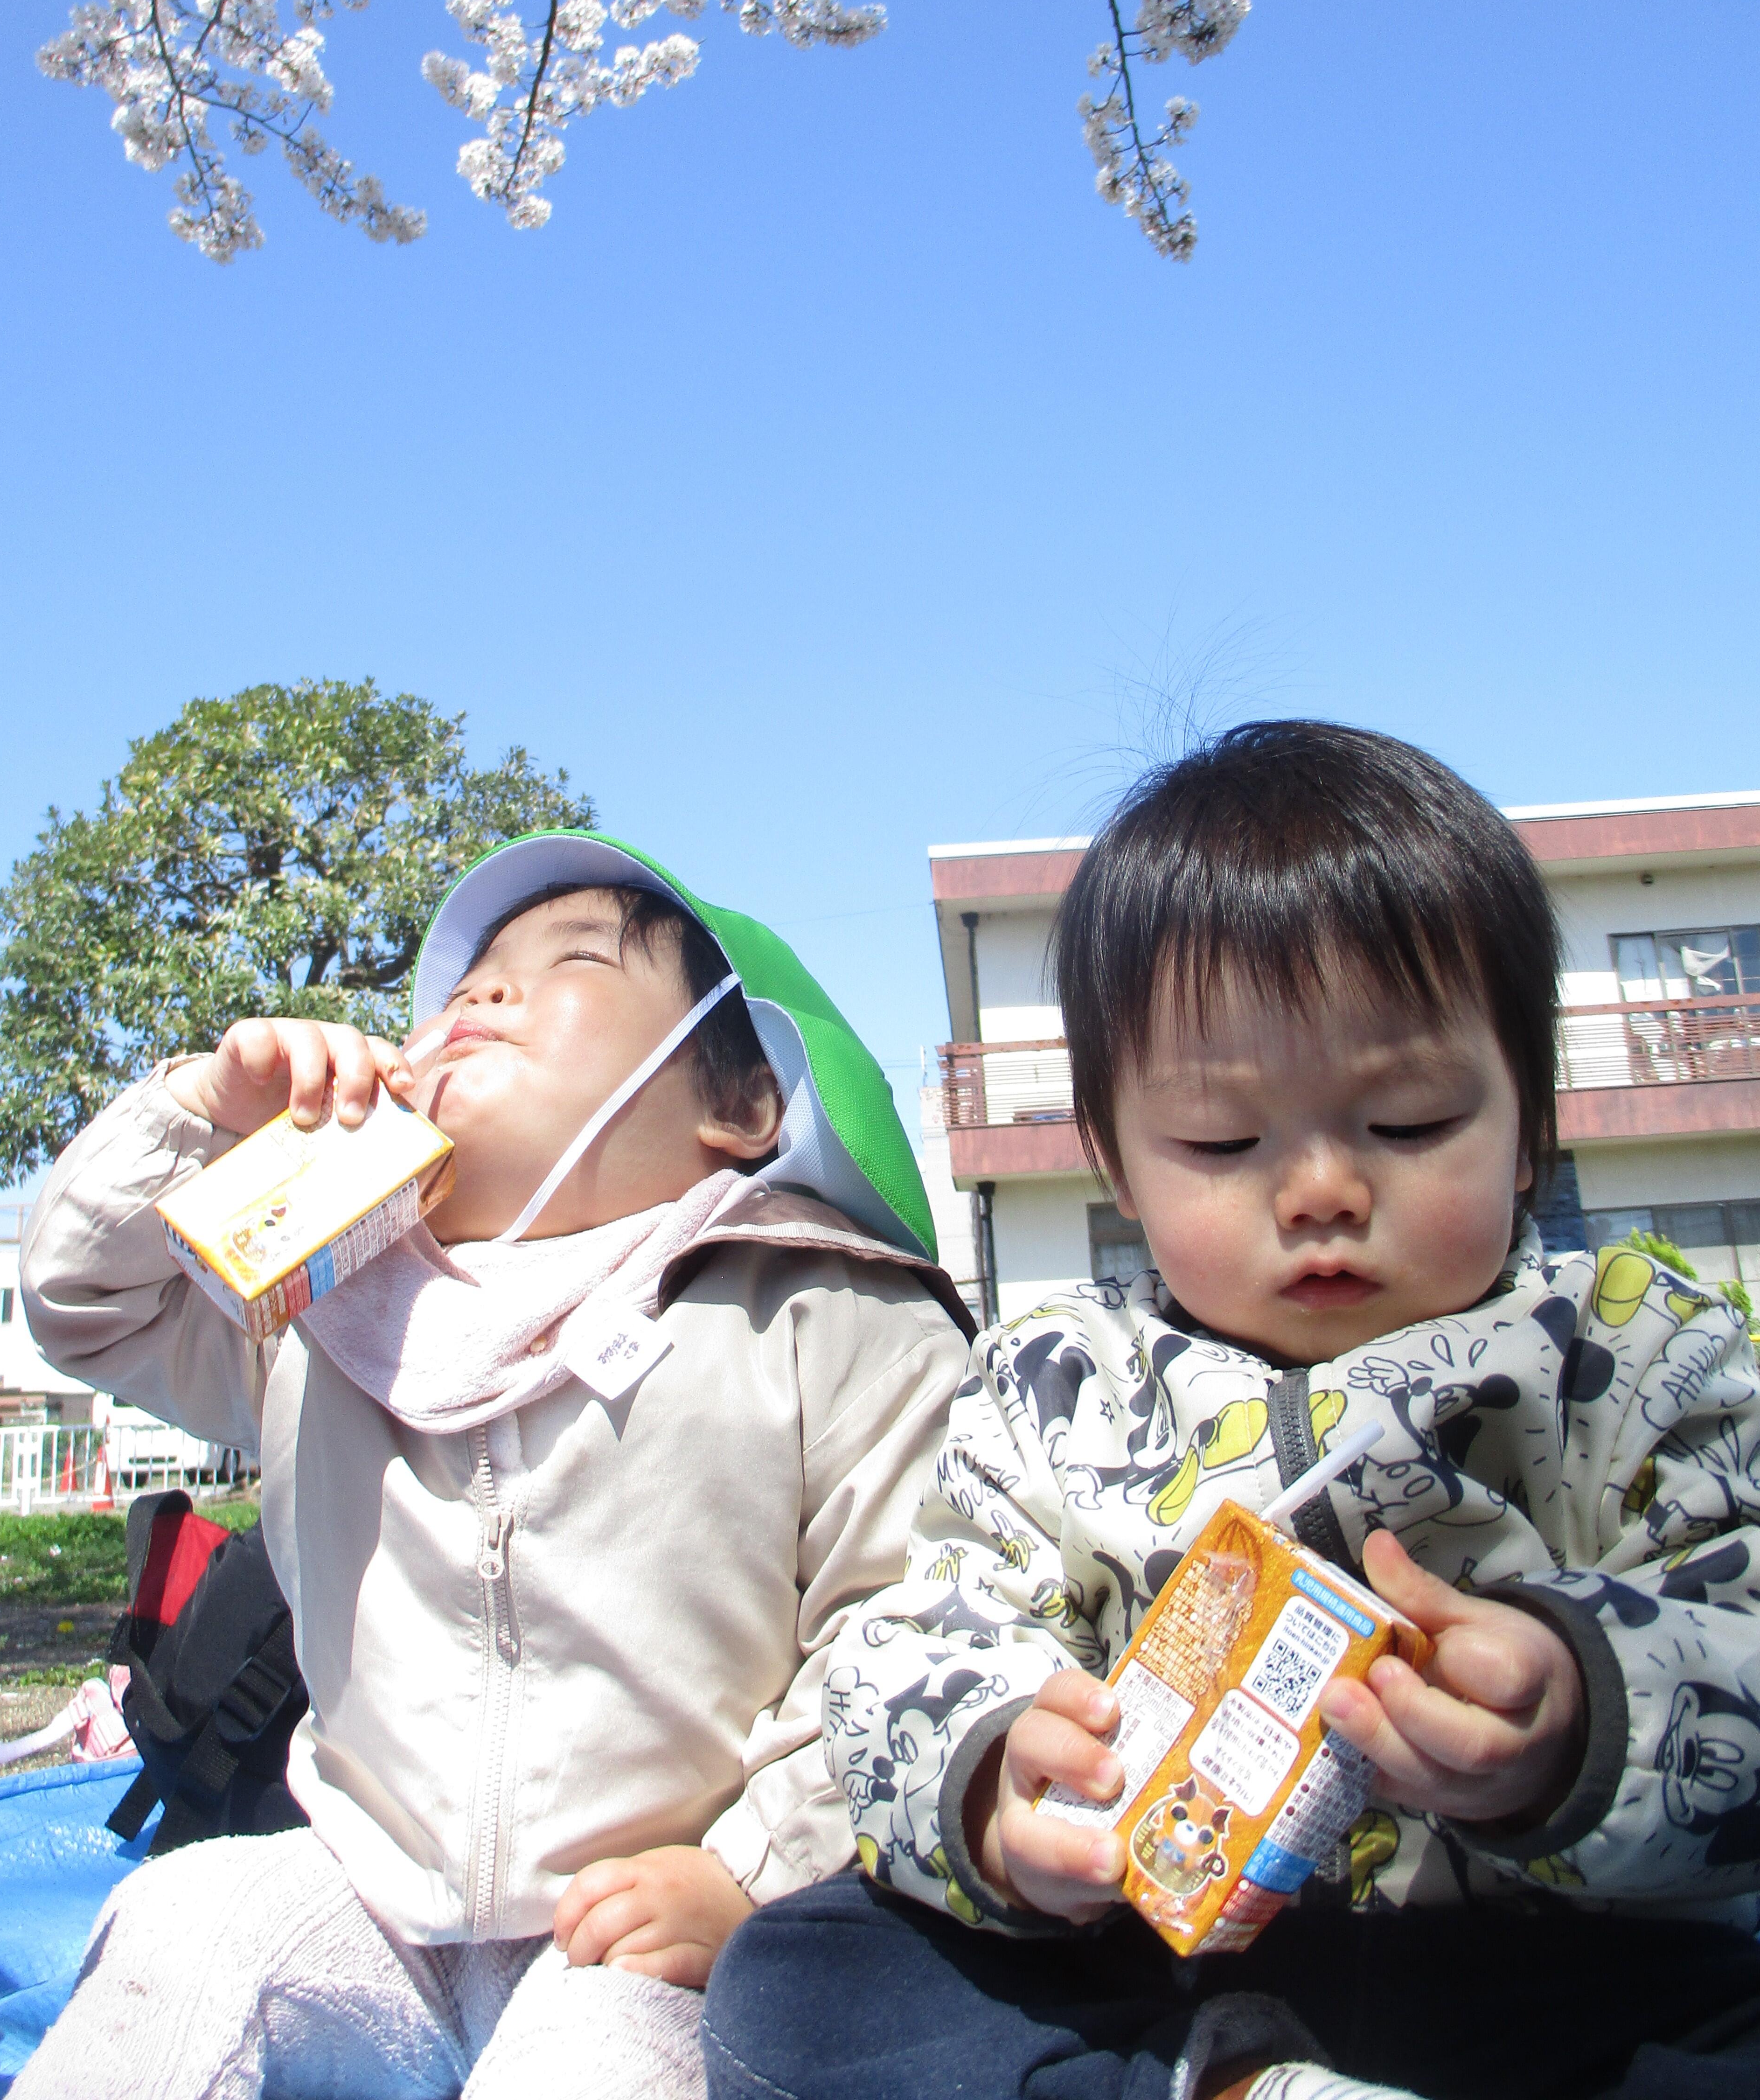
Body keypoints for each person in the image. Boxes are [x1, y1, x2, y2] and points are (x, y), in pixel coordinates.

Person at [702, 723, 1760, 2100]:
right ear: (1118, 1165)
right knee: (799, 1985)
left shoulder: (1632, 1350)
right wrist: (996, 1789)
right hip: (1154, 1964)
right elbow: (921, 1638)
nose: (1321, 1187)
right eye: (1219, 1141)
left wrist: (1576, 1719)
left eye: (1412, 1120)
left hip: (1563, 1960)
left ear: (1532, 1132)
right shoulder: (1058, 1385)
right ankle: (1232, 2085)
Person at [14, 830, 973, 2100]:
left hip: (646, 1923)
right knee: (180, 1938)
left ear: (738, 1108)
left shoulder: (816, 1311)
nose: (479, 995)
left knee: (588, 2069)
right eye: (465, 987)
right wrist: (199, 1113)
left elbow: (908, 1628)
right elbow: (86, 1301)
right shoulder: (330, 1304)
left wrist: (754, 1871)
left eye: (570, 959)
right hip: (371, 1898)